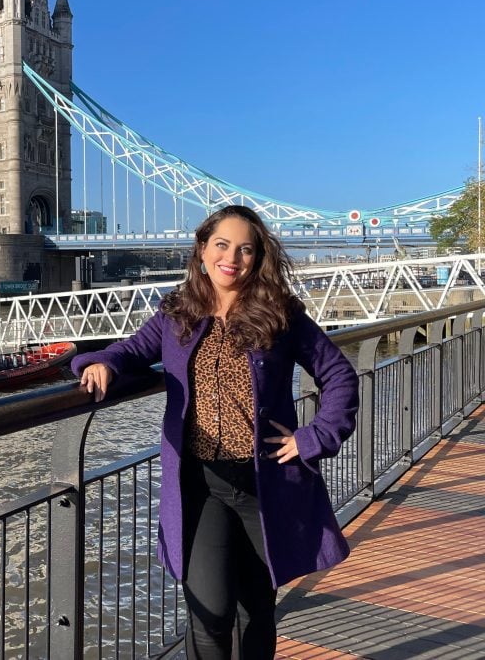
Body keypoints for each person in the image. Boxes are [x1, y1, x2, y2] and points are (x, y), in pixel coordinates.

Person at [72, 205, 358, 660]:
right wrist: (101, 362)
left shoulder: (280, 314)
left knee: (257, 613)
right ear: (202, 249)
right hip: (202, 486)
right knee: (210, 613)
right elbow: (130, 351)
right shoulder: (176, 313)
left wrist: (312, 438)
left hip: (267, 484)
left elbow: (339, 376)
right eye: (222, 245)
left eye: (246, 249)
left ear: (258, 257)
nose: (233, 258)